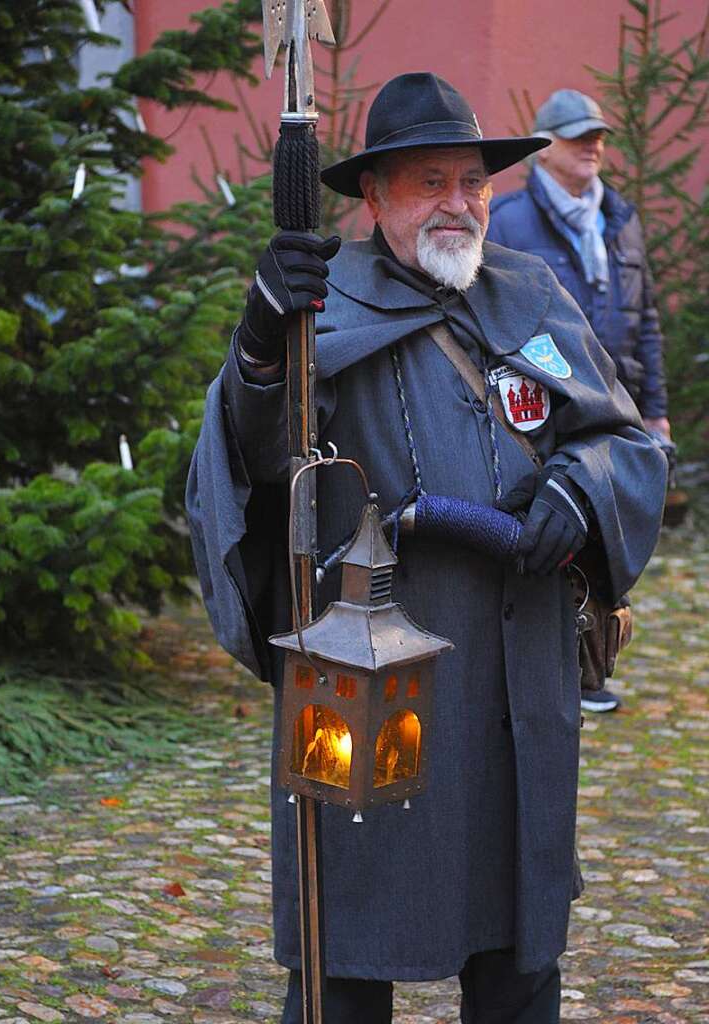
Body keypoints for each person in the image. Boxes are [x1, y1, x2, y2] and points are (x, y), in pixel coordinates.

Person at [187, 73, 667, 1024]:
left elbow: (621, 439)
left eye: (473, 183)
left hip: (515, 688)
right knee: (346, 952)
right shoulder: (322, 311)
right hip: (371, 689)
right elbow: (256, 465)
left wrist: (584, 488)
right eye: (429, 183)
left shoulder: (529, 296)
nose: (459, 205)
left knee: (518, 951)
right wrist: (257, 347)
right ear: (374, 198)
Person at [487, 89, 670, 714]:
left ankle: (592, 666)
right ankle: (549, 665)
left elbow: (644, 320)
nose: (594, 144)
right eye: (577, 134)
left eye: (598, 133)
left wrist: (654, 408)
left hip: (615, 410)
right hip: (550, 405)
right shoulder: (507, 220)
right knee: (556, 536)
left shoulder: (619, 217)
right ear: (545, 148)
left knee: (610, 539)